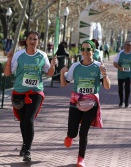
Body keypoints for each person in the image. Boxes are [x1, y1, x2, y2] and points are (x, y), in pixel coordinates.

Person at [4, 31, 57, 162]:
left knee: (29, 119)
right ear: (26, 41)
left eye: (35, 39)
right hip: (19, 93)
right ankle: (24, 145)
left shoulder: (42, 55)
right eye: (30, 39)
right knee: (23, 121)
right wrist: (9, 59)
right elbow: (7, 73)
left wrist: (53, 65)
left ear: (38, 41)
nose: (33, 41)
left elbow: (49, 73)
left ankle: (27, 150)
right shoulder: (19, 55)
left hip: (36, 92)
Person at [60, 40, 110, 167]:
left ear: (93, 51)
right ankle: (70, 136)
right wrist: (61, 73)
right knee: (73, 131)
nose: (85, 52)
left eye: (88, 49)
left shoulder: (99, 66)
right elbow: (64, 83)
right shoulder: (75, 66)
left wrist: (105, 75)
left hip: (91, 103)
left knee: (83, 132)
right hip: (76, 102)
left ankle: (81, 158)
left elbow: (107, 87)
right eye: (83, 49)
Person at [113, 41, 131, 108]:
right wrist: (119, 68)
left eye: (129, 45)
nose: (128, 46)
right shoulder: (120, 53)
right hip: (121, 74)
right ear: (124, 46)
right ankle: (121, 101)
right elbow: (114, 63)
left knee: (127, 88)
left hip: (129, 74)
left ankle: (126, 102)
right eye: (127, 45)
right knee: (120, 88)